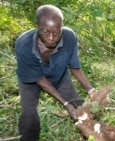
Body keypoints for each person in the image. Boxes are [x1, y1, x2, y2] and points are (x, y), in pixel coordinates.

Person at [15, 4, 99, 141]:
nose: (51, 38)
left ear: (62, 27)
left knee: (78, 104)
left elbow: (75, 66)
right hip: (31, 81)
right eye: (45, 32)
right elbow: (39, 78)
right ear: (37, 26)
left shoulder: (69, 37)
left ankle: (94, 133)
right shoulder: (24, 44)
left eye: (56, 33)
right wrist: (65, 104)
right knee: (29, 115)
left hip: (59, 76)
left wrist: (91, 90)